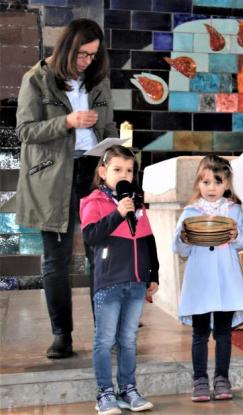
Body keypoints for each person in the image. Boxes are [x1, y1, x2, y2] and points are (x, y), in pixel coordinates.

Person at [15, 18, 117, 358]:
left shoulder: (98, 81)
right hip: (52, 175)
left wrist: (114, 151)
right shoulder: (37, 79)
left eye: (93, 55)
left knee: (100, 256)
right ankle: (62, 335)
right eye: (82, 54)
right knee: (56, 260)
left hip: (93, 172)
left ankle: (106, 332)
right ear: (67, 48)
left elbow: (109, 124)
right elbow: (25, 131)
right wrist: (67, 122)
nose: (87, 61)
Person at [79, 145, 158, 415]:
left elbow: (148, 240)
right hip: (109, 281)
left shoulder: (136, 202)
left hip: (135, 282)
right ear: (103, 172)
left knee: (128, 339)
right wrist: (117, 214)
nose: (124, 174)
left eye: (129, 170)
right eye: (117, 169)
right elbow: (91, 236)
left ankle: (128, 389)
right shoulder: (93, 202)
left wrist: (153, 274)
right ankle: (104, 392)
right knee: (104, 340)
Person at [173, 156, 243, 402]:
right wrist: (184, 239)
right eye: (206, 182)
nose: (211, 188)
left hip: (225, 280)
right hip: (200, 280)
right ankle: (199, 380)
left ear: (227, 184)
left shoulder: (234, 209)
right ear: (198, 183)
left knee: (223, 333)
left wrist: (236, 234)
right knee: (199, 334)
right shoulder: (190, 211)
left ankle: (221, 378)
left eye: (218, 182)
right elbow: (180, 249)